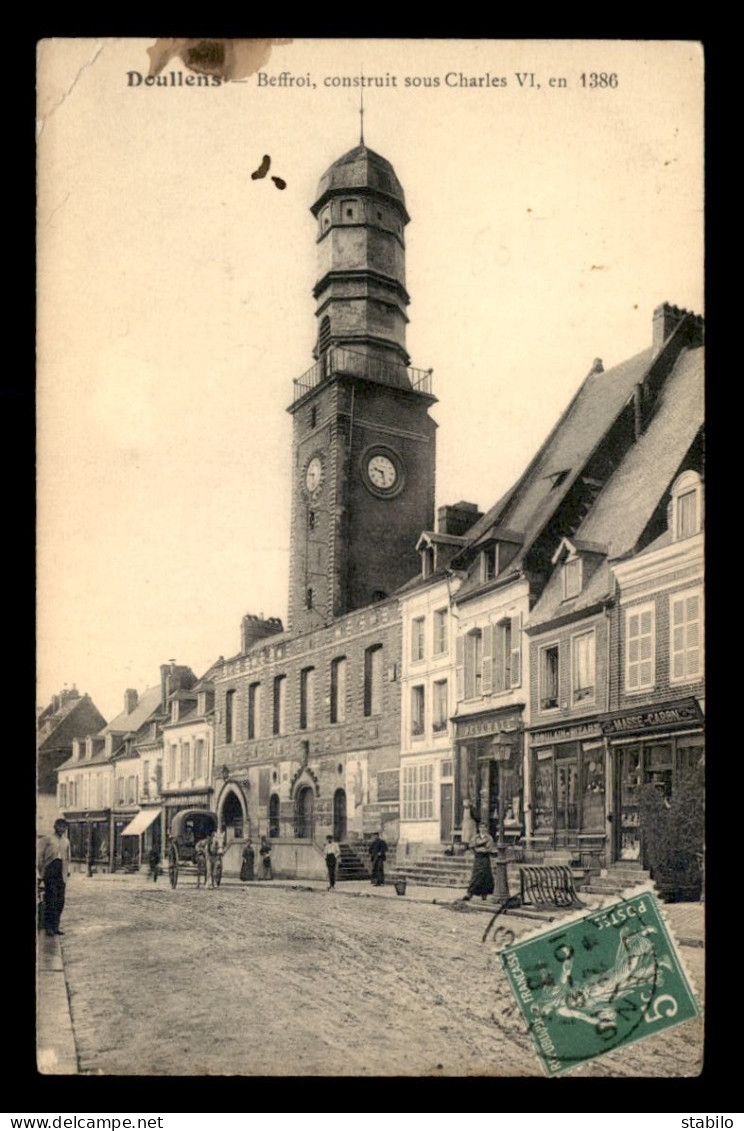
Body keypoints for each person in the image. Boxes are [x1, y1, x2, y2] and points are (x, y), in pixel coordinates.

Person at [38, 818, 71, 937]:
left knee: (60, 901)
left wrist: (67, 871)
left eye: (64, 827)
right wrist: (41, 874)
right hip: (50, 871)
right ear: (55, 827)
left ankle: (56, 926)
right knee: (50, 900)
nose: (62, 829)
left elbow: (67, 858)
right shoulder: (47, 839)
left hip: (61, 872)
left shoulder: (66, 841)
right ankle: (49, 927)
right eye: (60, 826)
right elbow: (40, 857)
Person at [462, 823, 495, 901]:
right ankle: (469, 893)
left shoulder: (489, 838)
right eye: (481, 827)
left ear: (486, 829)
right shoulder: (475, 837)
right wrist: (479, 848)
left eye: (484, 827)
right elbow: (471, 846)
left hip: (485, 858)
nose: (482, 829)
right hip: (477, 858)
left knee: (485, 876)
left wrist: (478, 847)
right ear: (479, 828)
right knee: (475, 875)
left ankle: (484, 894)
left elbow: (488, 848)